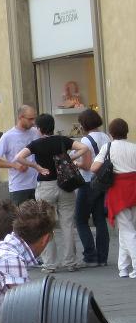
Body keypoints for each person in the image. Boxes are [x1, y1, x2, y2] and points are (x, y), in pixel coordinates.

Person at [14, 113, 89, 272]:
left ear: (39, 128)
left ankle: (50, 264)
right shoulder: (62, 140)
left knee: (46, 226)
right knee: (67, 224)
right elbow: (84, 148)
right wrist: (71, 158)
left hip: (45, 186)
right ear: (53, 126)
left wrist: (37, 167)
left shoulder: (36, 144)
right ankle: (70, 262)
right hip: (65, 184)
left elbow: (19, 157)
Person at [91, 118, 136, 278]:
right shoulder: (134, 147)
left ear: (110, 133)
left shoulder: (108, 147)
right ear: (126, 131)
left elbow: (94, 167)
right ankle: (123, 267)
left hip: (118, 191)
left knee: (127, 230)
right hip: (134, 188)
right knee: (127, 229)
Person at [74, 109, 111, 266]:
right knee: (100, 219)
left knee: (80, 220)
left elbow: (87, 165)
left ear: (84, 124)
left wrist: (75, 163)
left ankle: (90, 255)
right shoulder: (106, 137)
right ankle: (102, 257)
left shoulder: (86, 140)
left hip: (88, 182)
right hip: (102, 183)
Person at [0, 105, 39, 205]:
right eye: (30, 119)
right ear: (21, 117)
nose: (33, 122)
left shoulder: (36, 132)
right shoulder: (8, 136)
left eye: (34, 118)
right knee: (20, 214)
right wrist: (14, 165)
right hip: (19, 187)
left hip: (38, 184)